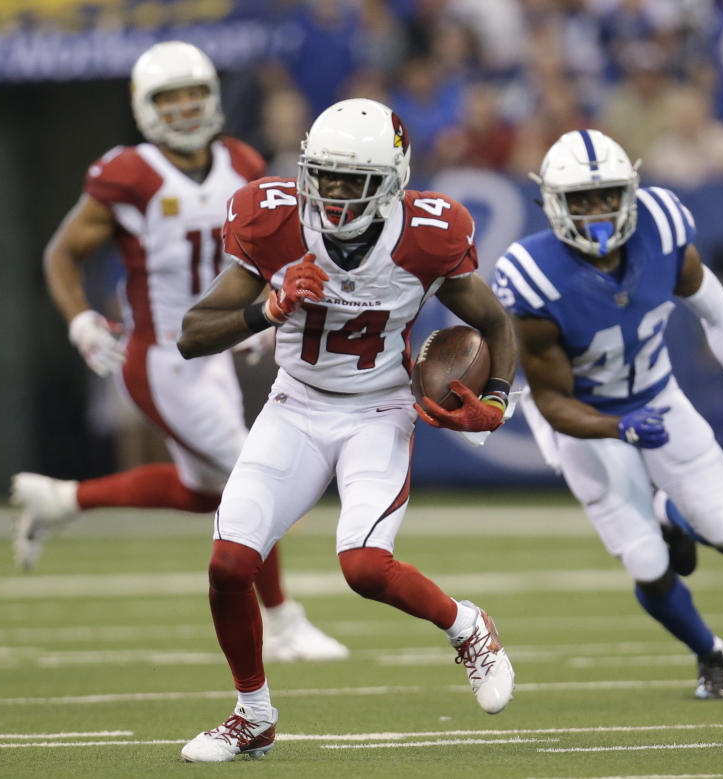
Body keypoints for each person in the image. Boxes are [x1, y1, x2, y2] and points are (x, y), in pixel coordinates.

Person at [176, 97, 517, 763]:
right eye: (324, 176)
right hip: (295, 404)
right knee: (228, 563)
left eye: (350, 179)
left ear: (391, 181)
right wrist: (266, 308)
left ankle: (468, 626)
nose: (332, 193)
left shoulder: (428, 232)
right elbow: (193, 333)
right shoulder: (272, 219)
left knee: (363, 565)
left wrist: (497, 398)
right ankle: (253, 714)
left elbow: (496, 323)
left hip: (376, 411)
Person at [10, 41, 348, 663]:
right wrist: (81, 317)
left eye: (194, 92)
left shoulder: (241, 161)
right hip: (162, 357)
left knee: (208, 493)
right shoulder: (129, 173)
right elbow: (62, 252)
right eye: (171, 97)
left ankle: (60, 501)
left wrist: (264, 309)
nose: (187, 106)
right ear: (145, 107)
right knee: (255, 479)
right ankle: (282, 620)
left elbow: (264, 251)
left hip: (214, 350)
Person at [493, 129, 723, 700]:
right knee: (648, 563)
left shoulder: (665, 228)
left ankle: (671, 509)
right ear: (553, 203)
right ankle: (711, 654)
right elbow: (551, 401)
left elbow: (719, 314)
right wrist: (616, 427)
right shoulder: (534, 276)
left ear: (630, 191)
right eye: (581, 199)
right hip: (586, 420)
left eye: (606, 196)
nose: (596, 211)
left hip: (658, 396)